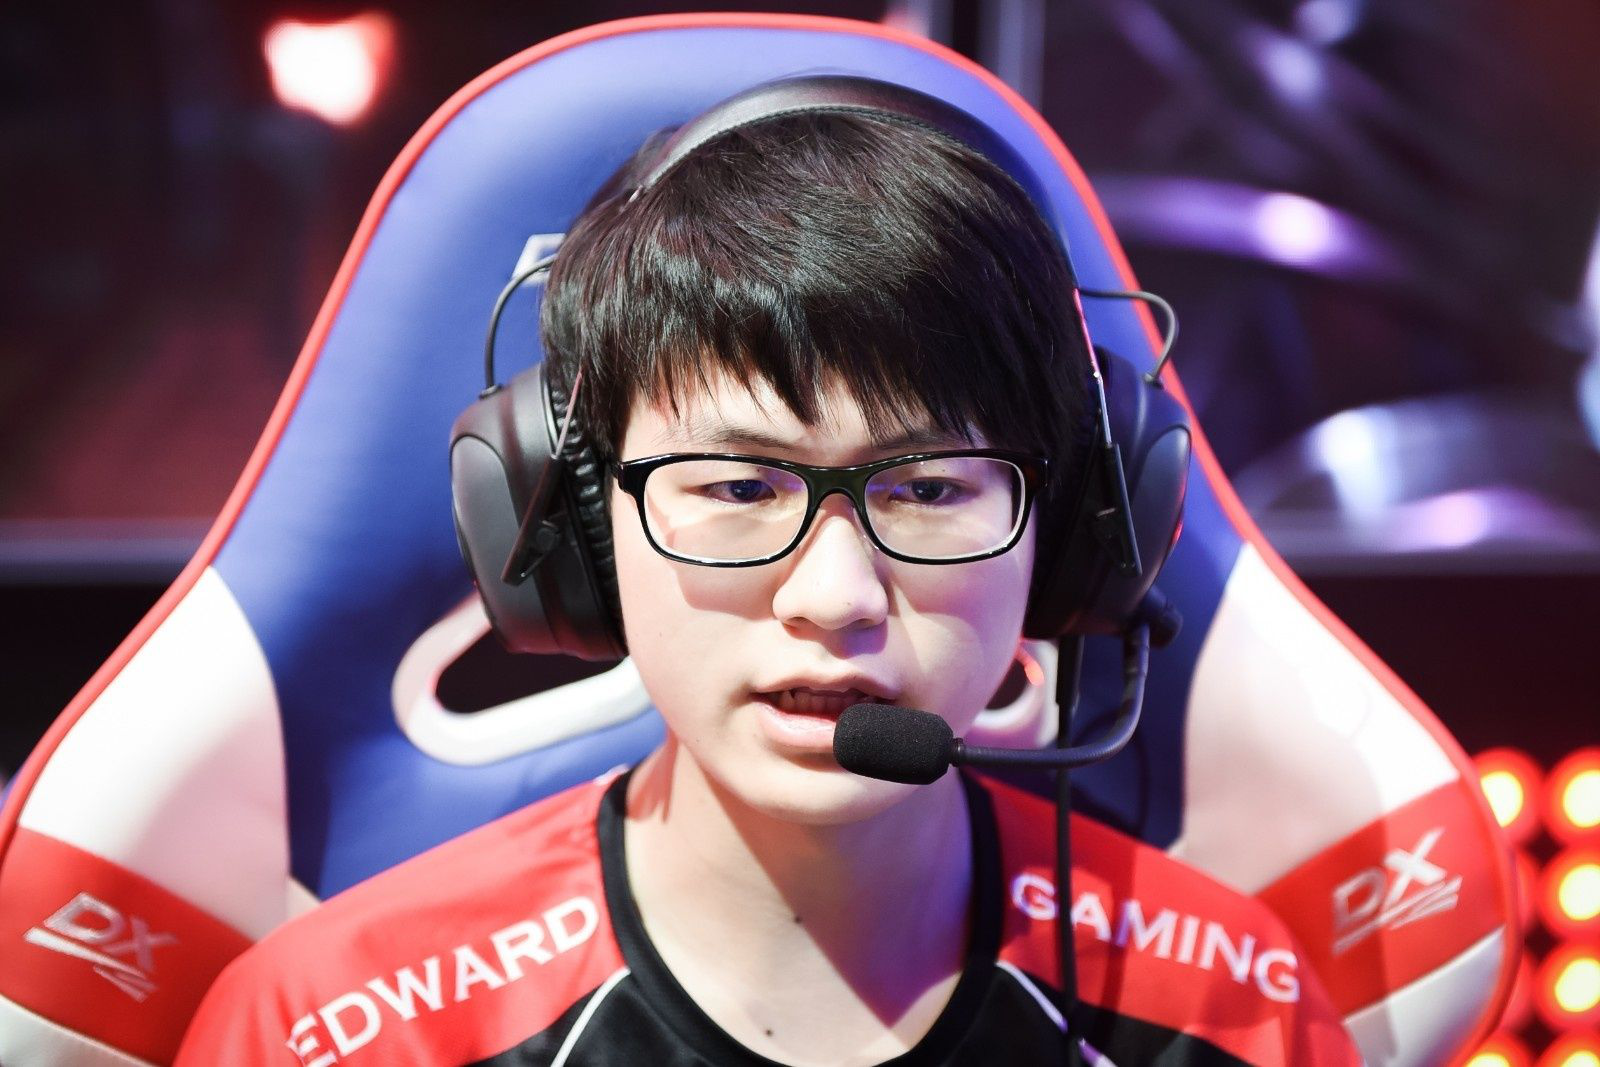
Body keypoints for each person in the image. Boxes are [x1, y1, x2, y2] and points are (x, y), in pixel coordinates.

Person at [174, 79, 1361, 1067]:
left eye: (929, 490)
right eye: (739, 489)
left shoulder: (1226, 1011)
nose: (835, 599)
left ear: (1069, 537)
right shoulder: (338, 1030)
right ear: (576, 524)